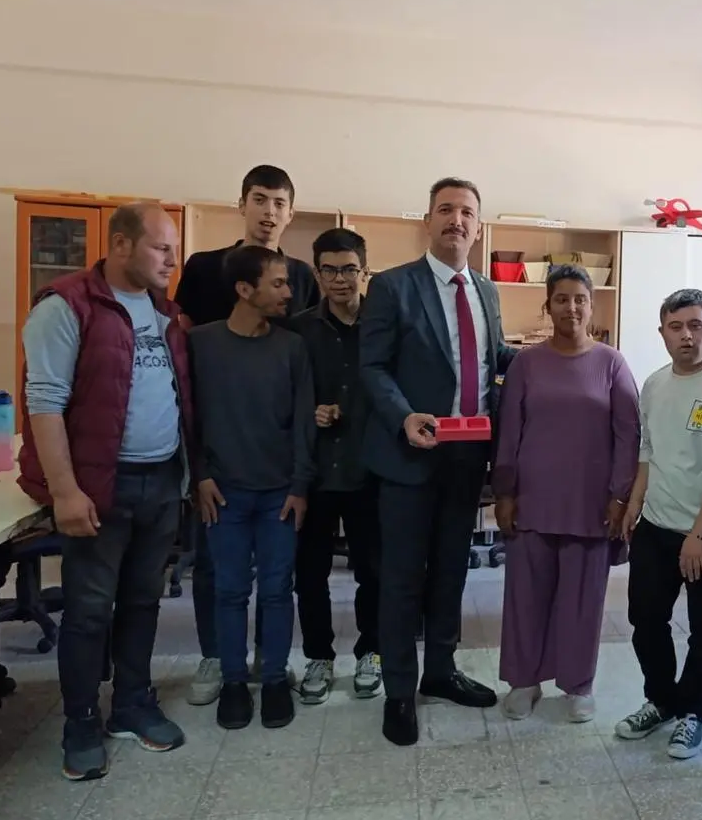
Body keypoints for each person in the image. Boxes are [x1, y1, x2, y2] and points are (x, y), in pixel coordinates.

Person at [18, 202, 191, 781]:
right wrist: (65, 492)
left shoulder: (167, 313)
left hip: (161, 480)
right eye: (161, 248)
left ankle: (133, 704)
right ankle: (81, 722)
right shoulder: (66, 306)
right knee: (90, 611)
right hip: (99, 485)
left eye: (174, 249)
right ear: (120, 245)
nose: (172, 260)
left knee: (143, 601)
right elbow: (44, 403)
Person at [360, 177, 518, 746]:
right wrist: (404, 416)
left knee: (452, 571)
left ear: (478, 226)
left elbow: (494, 360)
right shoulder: (393, 286)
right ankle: (400, 690)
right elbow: (373, 366)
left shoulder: (487, 291)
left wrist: (559, 357)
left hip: (467, 456)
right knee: (402, 578)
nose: (457, 219)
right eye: (446, 209)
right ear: (427, 220)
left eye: (467, 212)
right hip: (409, 454)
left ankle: (442, 670)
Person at [175, 164, 317, 706]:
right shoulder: (204, 268)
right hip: (222, 454)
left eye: (280, 203)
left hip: (275, 445)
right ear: (242, 205)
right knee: (219, 572)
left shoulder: (299, 278)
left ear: (290, 212)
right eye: (260, 200)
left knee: (277, 581)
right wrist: (199, 471)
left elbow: (307, 349)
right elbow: (187, 382)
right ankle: (220, 659)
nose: (269, 212)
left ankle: (271, 665)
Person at [492, 266, 640, 723]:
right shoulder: (526, 364)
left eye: (580, 299)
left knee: (582, 600)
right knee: (525, 596)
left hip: (591, 504)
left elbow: (628, 435)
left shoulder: (612, 363)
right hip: (532, 500)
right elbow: (509, 432)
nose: (571, 307)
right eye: (561, 299)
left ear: (592, 306)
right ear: (548, 306)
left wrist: (620, 496)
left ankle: (578, 685)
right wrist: (504, 492)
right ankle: (523, 681)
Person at [613, 289, 702, 757]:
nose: (686, 336)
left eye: (696, 325)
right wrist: (635, 502)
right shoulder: (655, 385)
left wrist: (699, 534)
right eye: (676, 327)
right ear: (663, 333)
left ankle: (694, 712)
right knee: (645, 619)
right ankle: (661, 700)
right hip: (656, 527)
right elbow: (648, 450)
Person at [288, 228, 382, 704]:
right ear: (317, 273)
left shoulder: (383, 325)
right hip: (317, 470)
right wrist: (311, 412)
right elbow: (282, 397)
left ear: (364, 271)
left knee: (374, 570)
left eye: (349, 269)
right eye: (330, 270)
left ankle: (372, 652)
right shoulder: (298, 329)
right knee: (310, 573)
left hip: (370, 468)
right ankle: (319, 657)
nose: (340, 279)